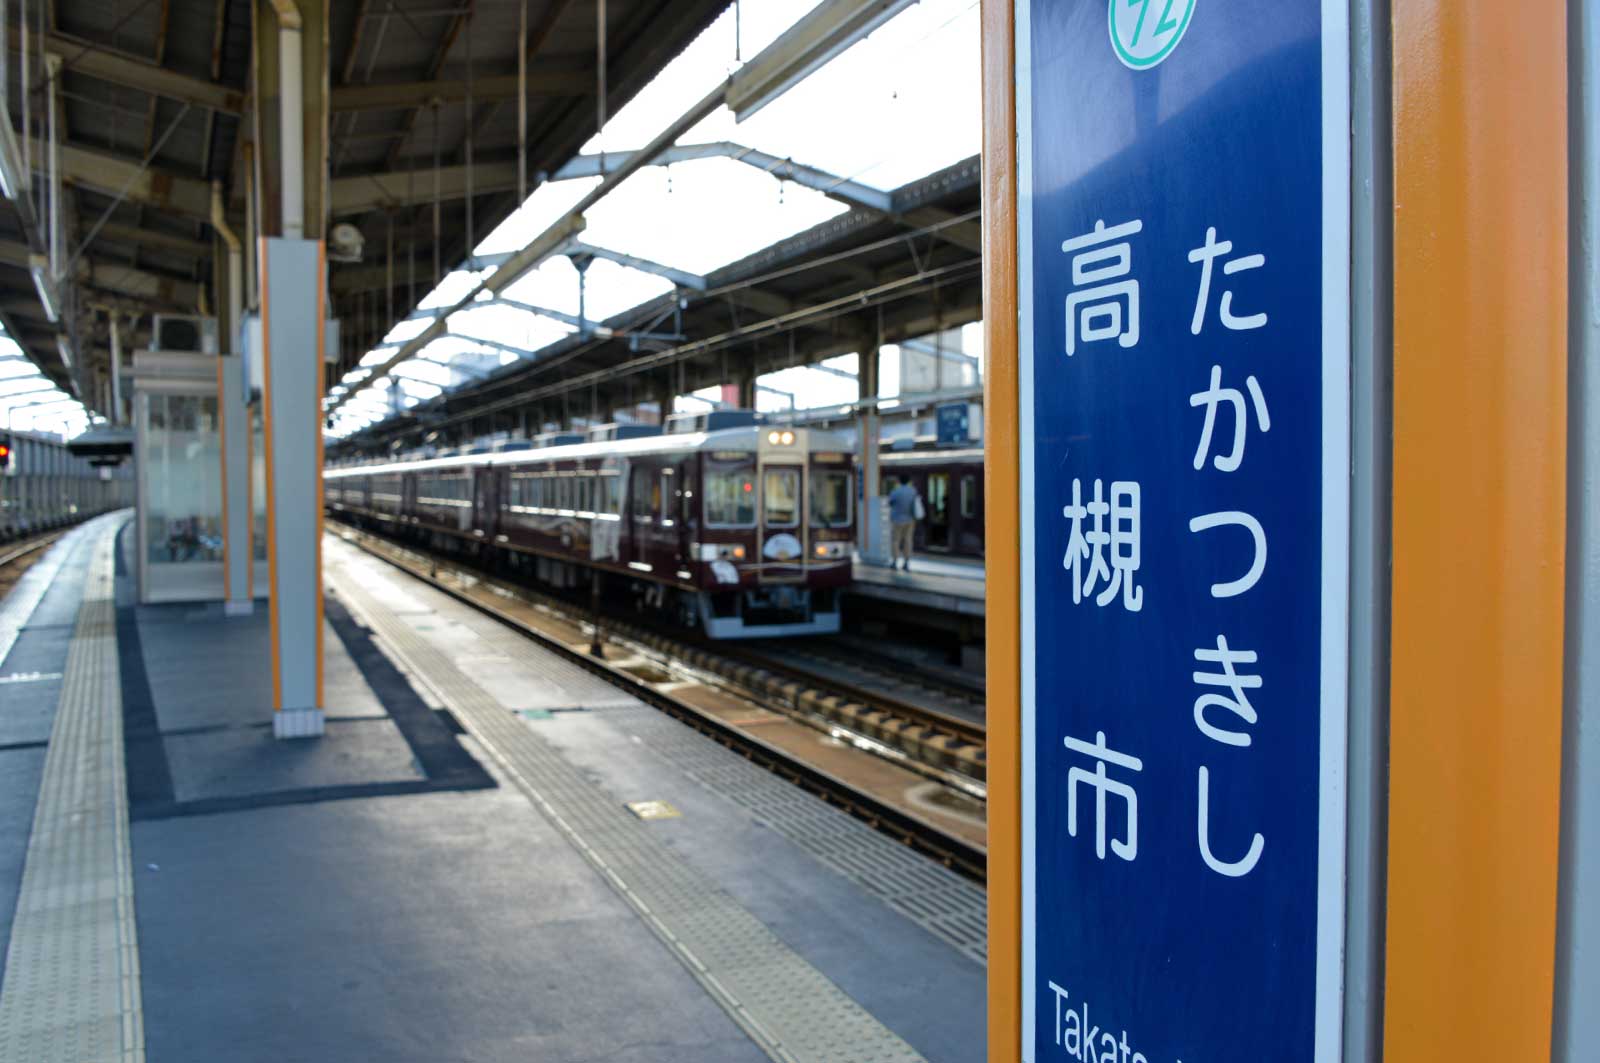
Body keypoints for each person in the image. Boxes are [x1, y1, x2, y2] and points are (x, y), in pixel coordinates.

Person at [886, 474, 923, 572]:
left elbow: (889, 503)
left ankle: (894, 562)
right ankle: (906, 563)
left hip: (897, 520)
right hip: (910, 520)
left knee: (895, 541)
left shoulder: (895, 491)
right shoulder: (913, 491)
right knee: (908, 540)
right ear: (908, 481)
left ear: (899, 481)